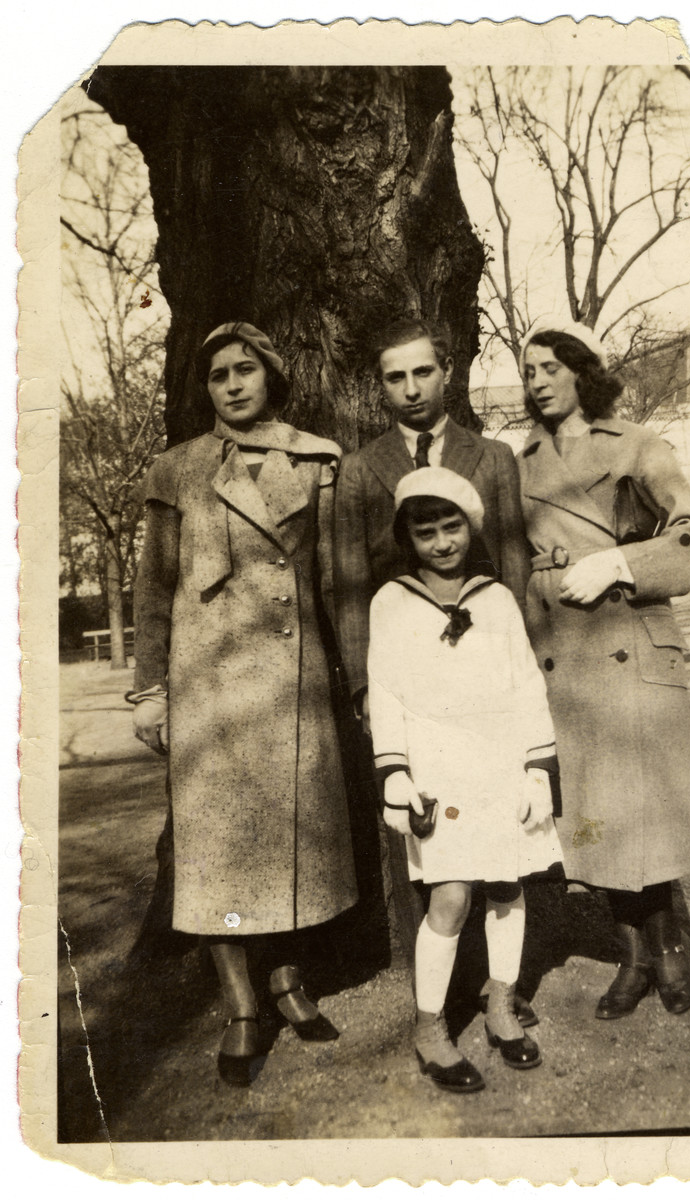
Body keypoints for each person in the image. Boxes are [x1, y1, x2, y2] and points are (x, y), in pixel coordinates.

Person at [128, 321, 358, 1081]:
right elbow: (155, 588)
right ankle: (240, 1004)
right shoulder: (177, 470)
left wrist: (352, 681)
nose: (230, 383)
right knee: (218, 855)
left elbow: (336, 586)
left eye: (244, 369)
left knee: (293, 840)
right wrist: (150, 690)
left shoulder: (316, 460)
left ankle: (289, 982)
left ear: (271, 376)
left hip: (292, 689)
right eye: (217, 374)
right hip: (209, 690)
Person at [334, 317, 536, 1023]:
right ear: (380, 385)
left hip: (488, 685)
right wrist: (366, 696)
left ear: (446, 373)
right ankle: (440, 999)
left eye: (422, 372)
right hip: (414, 699)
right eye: (395, 376)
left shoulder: (494, 457)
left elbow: (512, 567)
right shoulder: (360, 470)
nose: (411, 388)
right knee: (437, 861)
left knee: (505, 866)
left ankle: (500, 988)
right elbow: (351, 588)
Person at [516, 314, 690, 1020]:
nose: (536, 382)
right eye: (528, 371)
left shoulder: (637, 444)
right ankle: (634, 954)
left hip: (631, 635)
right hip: (563, 656)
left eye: (549, 368)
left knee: (645, 811)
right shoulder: (519, 466)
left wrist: (619, 562)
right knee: (597, 818)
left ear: (580, 371)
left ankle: (668, 951)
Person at [368, 467, 562, 1092]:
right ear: (409, 538)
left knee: (507, 886)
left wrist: (536, 768)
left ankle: (501, 1004)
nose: (442, 542)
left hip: (500, 759)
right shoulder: (391, 601)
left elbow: (526, 684)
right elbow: (387, 692)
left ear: (470, 529)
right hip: (435, 766)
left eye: (452, 527)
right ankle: (430, 1027)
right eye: (426, 532)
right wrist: (395, 772)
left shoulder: (496, 598)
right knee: (449, 897)